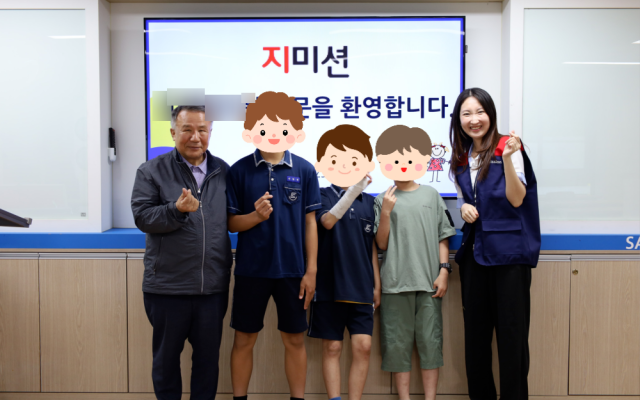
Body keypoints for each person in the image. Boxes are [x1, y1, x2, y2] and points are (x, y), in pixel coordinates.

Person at [131, 105, 233, 400]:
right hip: (167, 287)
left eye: (202, 130)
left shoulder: (224, 171)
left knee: (207, 364)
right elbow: (143, 217)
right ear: (173, 132)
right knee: (166, 363)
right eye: (187, 129)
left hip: (211, 288)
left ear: (210, 132)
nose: (195, 137)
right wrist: (176, 209)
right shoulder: (151, 170)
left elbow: (232, 218)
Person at [226, 91, 321, 400]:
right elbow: (231, 223)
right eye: (264, 128)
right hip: (251, 271)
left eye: (282, 127)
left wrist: (311, 270)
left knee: (294, 340)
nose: (273, 134)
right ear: (251, 130)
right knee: (244, 339)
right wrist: (255, 216)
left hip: (293, 272)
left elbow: (310, 223)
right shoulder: (238, 171)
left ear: (294, 130)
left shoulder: (304, 170)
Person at [449, 87, 541, 400]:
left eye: (480, 112)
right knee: (475, 341)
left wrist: (509, 158)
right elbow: (464, 198)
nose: (474, 119)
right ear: (458, 120)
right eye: (467, 113)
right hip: (475, 255)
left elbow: (517, 198)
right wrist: (463, 207)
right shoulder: (460, 158)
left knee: (512, 339)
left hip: (510, 257)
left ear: (491, 114)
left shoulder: (509, 147)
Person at [373, 125, 457, 400]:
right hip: (394, 284)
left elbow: (443, 236)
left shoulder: (431, 195)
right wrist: (386, 212)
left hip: (429, 284)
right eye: (395, 159)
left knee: (430, 344)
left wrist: (444, 271)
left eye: (409, 159)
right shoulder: (381, 199)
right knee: (397, 347)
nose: (403, 165)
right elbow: (381, 244)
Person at [310, 124, 381, 400]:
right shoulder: (320, 194)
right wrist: (352, 191)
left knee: (363, 346)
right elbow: (327, 221)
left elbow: (371, 246)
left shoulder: (370, 202)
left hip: (361, 287)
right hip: (329, 287)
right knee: (332, 348)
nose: (344, 166)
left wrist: (376, 285)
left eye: (353, 160)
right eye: (336, 160)